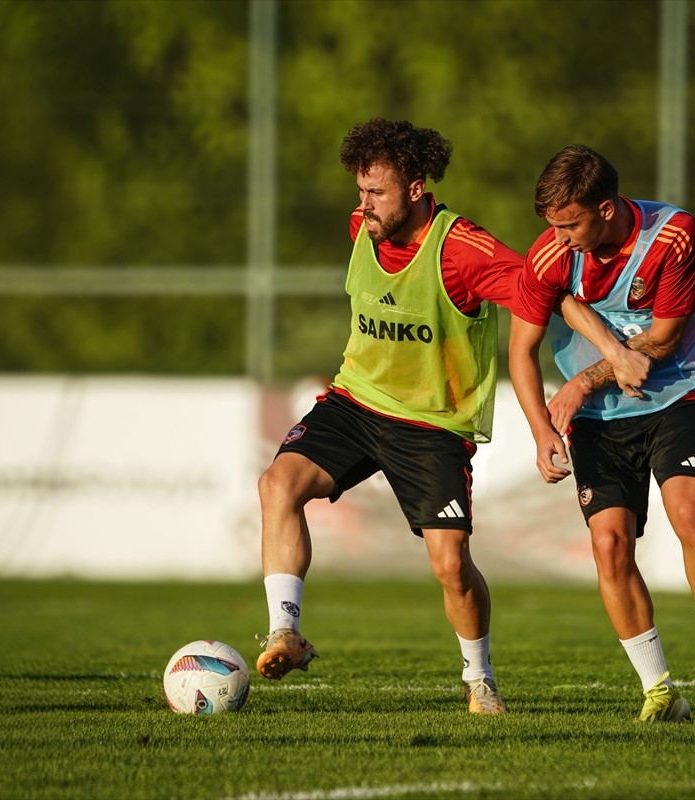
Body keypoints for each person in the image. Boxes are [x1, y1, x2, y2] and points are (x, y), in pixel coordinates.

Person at [255, 119, 623, 716]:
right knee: (278, 484)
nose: (363, 204)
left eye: (376, 192)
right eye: (359, 190)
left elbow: (545, 291)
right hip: (355, 400)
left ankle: (479, 681)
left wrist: (614, 350)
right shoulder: (362, 229)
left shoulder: (463, 252)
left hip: (432, 426)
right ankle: (284, 632)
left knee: (451, 565)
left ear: (418, 187)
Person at [508, 144, 695, 723]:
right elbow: (520, 349)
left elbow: (667, 337)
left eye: (569, 224)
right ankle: (661, 691)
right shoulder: (552, 250)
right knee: (609, 545)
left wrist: (578, 385)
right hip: (601, 422)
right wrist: (541, 428)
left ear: (605, 208)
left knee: (688, 513)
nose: (558, 238)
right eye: (551, 226)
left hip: (679, 395)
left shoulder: (673, 236)